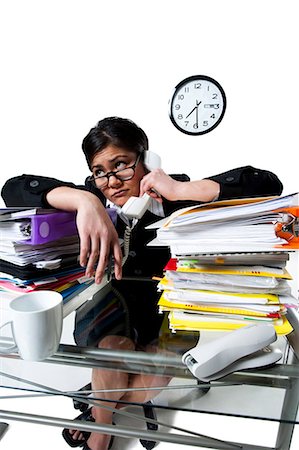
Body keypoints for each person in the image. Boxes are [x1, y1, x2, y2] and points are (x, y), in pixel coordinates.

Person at [1, 117, 283, 450]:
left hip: (167, 306)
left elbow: (267, 184)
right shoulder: (90, 194)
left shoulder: (175, 193)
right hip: (107, 304)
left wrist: (182, 190)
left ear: (145, 160)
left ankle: (96, 408)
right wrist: (84, 201)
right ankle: (101, 434)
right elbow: (13, 187)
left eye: (121, 165)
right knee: (114, 351)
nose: (112, 181)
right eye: (100, 171)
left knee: (157, 371)